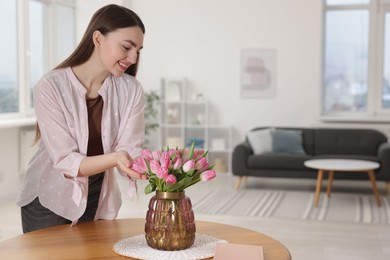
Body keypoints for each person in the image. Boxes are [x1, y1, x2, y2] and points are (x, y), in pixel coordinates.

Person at [16, 4, 148, 233]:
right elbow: (66, 160)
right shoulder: (50, 86)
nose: (133, 58)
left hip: (96, 195)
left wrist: (149, 167)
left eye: (138, 50)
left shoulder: (132, 90)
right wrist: (118, 158)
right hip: (48, 197)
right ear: (98, 39)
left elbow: (129, 149)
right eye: (127, 47)